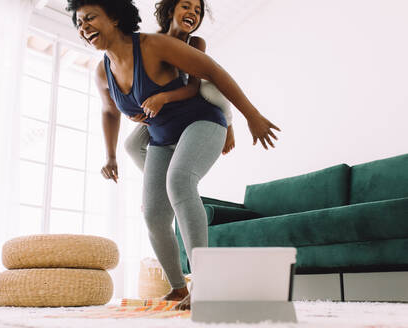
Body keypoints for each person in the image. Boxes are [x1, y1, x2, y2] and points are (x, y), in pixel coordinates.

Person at [66, 0, 280, 310]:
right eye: (78, 23)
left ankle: (205, 287)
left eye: (90, 18)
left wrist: (251, 116)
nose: (83, 27)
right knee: (153, 214)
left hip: (202, 123)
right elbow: (109, 111)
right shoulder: (103, 72)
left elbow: (213, 72)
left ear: (113, 17)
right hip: (161, 139)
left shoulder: (154, 45)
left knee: (179, 183)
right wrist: (110, 156)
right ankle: (179, 289)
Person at [124, 0, 235, 172]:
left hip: (186, 97)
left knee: (210, 87)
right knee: (131, 145)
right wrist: (131, 111)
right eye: (186, 6)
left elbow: (192, 87)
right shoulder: (152, 42)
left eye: (197, 11)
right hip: (163, 107)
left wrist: (163, 98)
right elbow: (137, 82)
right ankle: (161, 188)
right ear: (170, 12)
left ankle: (228, 124)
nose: (193, 13)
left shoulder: (196, 43)